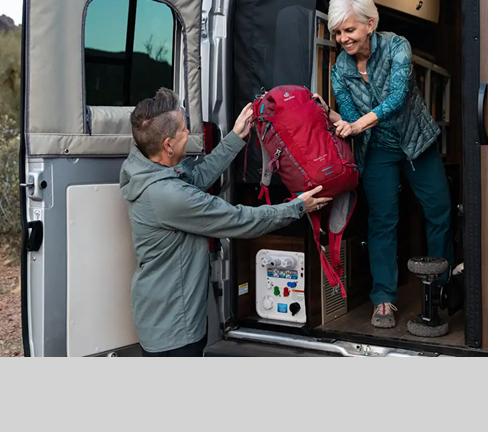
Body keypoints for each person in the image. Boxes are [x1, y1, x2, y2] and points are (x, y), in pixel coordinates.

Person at [119, 87, 330, 356]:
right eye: (183, 130)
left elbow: (194, 180)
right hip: (174, 328)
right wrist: (297, 207)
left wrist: (235, 137)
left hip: (162, 315)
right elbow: (239, 219)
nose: (189, 133)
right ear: (168, 145)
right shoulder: (168, 195)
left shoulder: (147, 169)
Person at [314, 0, 453, 329]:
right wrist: (331, 115)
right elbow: (350, 117)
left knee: (439, 211)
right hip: (378, 149)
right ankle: (384, 299)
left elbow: (398, 97)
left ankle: (442, 289)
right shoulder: (340, 70)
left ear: (370, 24)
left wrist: (357, 124)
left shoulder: (397, 47)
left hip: (417, 142)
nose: (343, 39)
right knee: (381, 222)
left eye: (349, 30)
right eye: (338, 32)